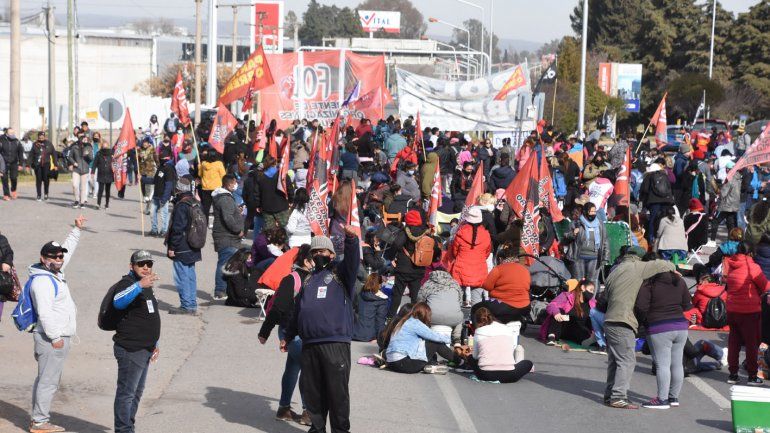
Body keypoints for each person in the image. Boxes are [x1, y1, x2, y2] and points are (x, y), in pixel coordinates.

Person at [282, 230, 360, 433]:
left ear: (332, 254)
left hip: (335, 343)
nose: (319, 254)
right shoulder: (308, 280)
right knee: (313, 395)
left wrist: (351, 240)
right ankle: (317, 429)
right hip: (310, 345)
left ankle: (340, 430)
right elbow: (297, 311)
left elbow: (352, 261)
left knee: (337, 394)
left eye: (323, 251)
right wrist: (288, 336)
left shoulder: (341, 275)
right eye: (315, 251)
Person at [28, 215, 86, 433]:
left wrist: (76, 230)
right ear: (44, 259)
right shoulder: (42, 281)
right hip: (52, 339)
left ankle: (38, 419)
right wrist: (55, 338)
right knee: (48, 381)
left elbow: (68, 250)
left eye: (61, 255)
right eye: (54, 256)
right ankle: (40, 422)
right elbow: (44, 313)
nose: (60, 258)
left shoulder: (55, 271)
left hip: (57, 336)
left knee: (45, 379)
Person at [603, 246, 675, 409]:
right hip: (624, 320)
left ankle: (610, 395)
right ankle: (619, 397)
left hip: (609, 320)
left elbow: (606, 297)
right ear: (639, 257)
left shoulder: (615, 271)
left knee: (616, 361)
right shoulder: (638, 267)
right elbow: (665, 264)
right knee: (627, 360)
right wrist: (673, 269)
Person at [258, 245, 313, 426]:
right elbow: (278, 308)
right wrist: (265, 331)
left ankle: (283, 409)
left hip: (301, 332)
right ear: (306, 261)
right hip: (292, 332)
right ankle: (307, 412)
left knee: (293, 367)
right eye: (315, 257)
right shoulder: (292, 279)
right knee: (307, 369)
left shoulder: (315, 278)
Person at [108, 250, 161, 433]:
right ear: (132, 266)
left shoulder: (146, 286)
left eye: (149, 264)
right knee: (127, 393)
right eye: (141, 264)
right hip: (131, 349)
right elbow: (118, 302)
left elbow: (150, 315)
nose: (146, 268)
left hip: (144, 348)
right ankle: (123, 429)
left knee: (136, 393)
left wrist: (155, 343)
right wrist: (139, 285)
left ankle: (128, 426)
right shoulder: (128, 283)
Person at [635, 269, 692, 409]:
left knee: (662, 365)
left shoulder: (649, 283)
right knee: (677, 363)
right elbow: (687, 305)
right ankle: (673, 397)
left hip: (659, 327)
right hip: (681, 326)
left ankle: (662, 399)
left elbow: (640, 307)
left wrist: (644, 322)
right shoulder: (679, 280)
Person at [724, 242, 770, 385]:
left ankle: (732, 374)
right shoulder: (752, 267)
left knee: (734, 342)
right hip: (749, 311)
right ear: (751, 253)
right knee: (751, 344)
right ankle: (752, 376)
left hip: (732, 309)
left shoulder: (731, 264)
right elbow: (765, 285)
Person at [385, 302, 462, 374]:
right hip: (405, 364)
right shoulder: (415, 323)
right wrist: (452, 341)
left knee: (425, 344)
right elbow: (435, 337)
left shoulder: (403, 321)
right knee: (435, 343)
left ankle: (431, 364)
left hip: (391, 363)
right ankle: (460, 362)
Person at [465, 307, 533, 383]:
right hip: (509, 375)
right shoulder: (507, 329)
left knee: (470, 357)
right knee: (528, 363)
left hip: (486, 375)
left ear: (477, 322)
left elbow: (475, 356)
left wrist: (469, 355)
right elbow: (512, 348)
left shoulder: (479, 331)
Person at [166, 176, 202, 315]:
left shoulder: (182, 205)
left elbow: (177, 228)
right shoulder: (196, 202)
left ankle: (186, 305)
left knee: (181, 276)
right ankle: (192, 303)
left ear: (179, 189)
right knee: (191, 275)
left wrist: (172, 247)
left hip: (182, 246)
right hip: (194, 244)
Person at [385, 210, 432, 319]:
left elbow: (397, 244)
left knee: (397, 294)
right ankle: (417, 317)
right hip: (419, 269)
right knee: (415, 296)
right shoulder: (426, 232)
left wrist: (391, 257)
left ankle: (391, 317)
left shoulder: (405, 231)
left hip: (403, 268)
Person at [474, 242, 531, 324]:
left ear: (500, 259)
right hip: (525, 306)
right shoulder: (525, 269)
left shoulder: (498, 269)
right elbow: (528, 287)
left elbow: (487, 286)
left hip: (505, 306)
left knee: (476, 308)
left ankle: (479, 331)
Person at [449, 208, 492, 306]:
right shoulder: (486, 234)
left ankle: (457, 318)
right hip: (479, 269)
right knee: (477, 301)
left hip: (461, 268)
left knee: (457, 298)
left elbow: (454, 252)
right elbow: (487, 253)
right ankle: (477, 320)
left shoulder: (460, 233)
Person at [212, 174, 244, 300]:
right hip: (227, 236)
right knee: (224, 263)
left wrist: (237, 211)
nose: (236, 185)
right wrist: (238, 230)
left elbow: (229, 214)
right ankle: (220, 290)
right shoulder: (225, 199)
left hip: (227, 236)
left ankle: (223, 290)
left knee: (227, 263)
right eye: (235, 182)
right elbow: (227, 218)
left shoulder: (226, 198)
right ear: (229, 184)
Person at [563, 202, 607, 288]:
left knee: (592, 282)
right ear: (586, 212)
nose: (593, 214)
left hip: (594, 258)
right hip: (578, 258)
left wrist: (605, 256)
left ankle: (591, 301)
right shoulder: (575, 223)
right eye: (591, 211)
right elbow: (565, 237)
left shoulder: (600, 224)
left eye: (595, 211)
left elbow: (605, 241)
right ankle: (577, 300)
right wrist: (573, 233)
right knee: (578, 281)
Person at [417, 268, 464, 344]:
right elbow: (460, 302)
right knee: (460, 315)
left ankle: (422, 336)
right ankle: (457, 339)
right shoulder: (455, 283)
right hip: (453, 318)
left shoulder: (428, 283)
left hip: (432, 318)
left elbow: (419, 300)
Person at [544, 279, 597, 346]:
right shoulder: (566, 296)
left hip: (578, 329)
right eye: (591, 290)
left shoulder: (593, 302)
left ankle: (588, 340)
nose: (592, 293)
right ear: (583, 288)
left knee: (585, 334)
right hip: (563, 328)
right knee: (559, 310)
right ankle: (551, 336)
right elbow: (551, 305)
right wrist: (556, 313)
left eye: (593, 291)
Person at [255, 155, 294, 230]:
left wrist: (258, 205)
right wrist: (291, 200)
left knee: (269, 231)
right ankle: (283, 241)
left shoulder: (260, 176)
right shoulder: (282, 175)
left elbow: (257, 193)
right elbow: (290, 189)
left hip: (266, 207)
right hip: (282, 206)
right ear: (275, 164)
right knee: (285, 229)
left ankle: (271, 241)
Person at [352, 273, 389, 342]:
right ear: (379, 284)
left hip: (354, 332)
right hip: (368, 335)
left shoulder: (360, 294)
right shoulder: (382, 300)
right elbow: (380, 321)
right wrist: (379, 338)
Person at [711, 163, 741, 241]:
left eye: (728, 168)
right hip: (734, 205)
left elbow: (723, 193)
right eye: (726, 168)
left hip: (726, 205)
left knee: (715, 221)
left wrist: (718, 190)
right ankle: (730, 241)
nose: (727, 170)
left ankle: (712, 240)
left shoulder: (730, 179)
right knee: (730, 224)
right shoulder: (739, 178)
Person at [150, 156, 176, 237]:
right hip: (156, 195)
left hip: (163, 196)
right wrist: (143, 179)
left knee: (164, 214)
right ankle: (154, 230)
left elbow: (169, 185)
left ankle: (164, 231)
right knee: (152, 212)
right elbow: (155, 180)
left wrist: (165, 198)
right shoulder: (160, 167)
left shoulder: (169, 169)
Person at [199, 151, 226, 223]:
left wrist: (199, 166)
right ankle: (217, 223)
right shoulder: (219, 164)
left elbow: (200, 174)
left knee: (206, 208)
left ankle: (205, 223)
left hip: (205, 188)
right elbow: (223, 175)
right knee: (217, 207)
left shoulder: (203, 164)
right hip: (216, 188)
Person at [67, 136, 93, 208]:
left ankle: (82, 202)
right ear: (80, 140)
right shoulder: (75, 147)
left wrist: (87, 154)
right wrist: (74, 163)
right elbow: (70, 157)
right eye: (84, 139)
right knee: (75, 185)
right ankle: (76, 200)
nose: (85, 141)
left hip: (85, 170)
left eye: (86, 140)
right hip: (76, 169)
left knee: (83, 187)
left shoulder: (89, 147)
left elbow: (91, 159)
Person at [30, 132, 57, 201]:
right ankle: (39, 195)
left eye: (42, 137)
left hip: (46, 164)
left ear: (44, 137)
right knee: (38, 180)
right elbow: (31, 155)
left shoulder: (49, 144)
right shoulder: (35, 144)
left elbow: (54, 154)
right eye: (40, 137)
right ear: (38, 137)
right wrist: (29, 164)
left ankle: (46, 194)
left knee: (46, 180)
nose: (41, 138)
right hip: (37, 165)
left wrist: (55, 164)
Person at [1, 127, 24, 200]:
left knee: (14, 178)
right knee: (4, 178)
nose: (12, 134)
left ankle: (13, 190)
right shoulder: (1, 140)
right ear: (6, 134)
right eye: (10, 133)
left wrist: (20, 164)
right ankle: (6, 194)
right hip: (3, 163)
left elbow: (20, 153)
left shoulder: (17, 141)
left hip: (14, 162)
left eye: (13, 133)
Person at [94, 140, 114, 210]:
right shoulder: (98, 153)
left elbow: (116, 161)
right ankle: (98, 204)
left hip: (109, 174)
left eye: (106, 146)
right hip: (101, 174)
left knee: (108, 190)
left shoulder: (111, 153)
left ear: (108, 146)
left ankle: (107, 204)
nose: (105, 147)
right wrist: (92, 172)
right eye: (103, 146)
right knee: (100, 190)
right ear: (102, 146)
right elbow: (95, 163)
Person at [138, 138, 158, 205]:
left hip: (150, 169)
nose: (144, 144)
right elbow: (137, 159)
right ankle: (144, 195)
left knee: (148, 183)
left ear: (148, 143)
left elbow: (156, 158)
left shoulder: (152, 150)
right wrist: (139, 156)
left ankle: (148, 196)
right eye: (143, 143)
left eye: (146, 143)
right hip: (142, 169)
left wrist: (159, 166)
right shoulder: (139, 149)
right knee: (142, 184)